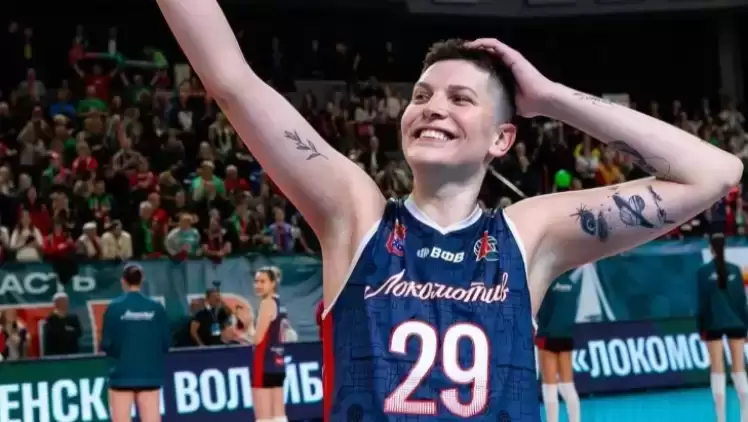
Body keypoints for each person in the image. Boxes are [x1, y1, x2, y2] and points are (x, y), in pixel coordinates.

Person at [157, 1, 742, 419]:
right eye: (421, 95)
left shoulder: (527, 236)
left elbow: (714, 172)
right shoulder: (357, 216)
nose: (432, 107)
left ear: (502, 139)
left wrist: (550, 98)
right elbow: (231, 79)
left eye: (460, 99)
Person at [101, 264, 171, 422]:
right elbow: (166, 343)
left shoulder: (114, 307)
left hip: (121, 375)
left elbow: (106, 344)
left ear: (123, 281)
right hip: (149, 376)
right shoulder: (156, 308)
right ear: (142, 280)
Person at [697, 233, 748, 422]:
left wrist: (701, 328)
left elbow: (702, 304)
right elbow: (742, 303)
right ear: (724, 248)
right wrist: (746, 327)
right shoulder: (735, 270)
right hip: (737, 323)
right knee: (739, 370)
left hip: (713, 324)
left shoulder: (702, 273)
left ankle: (721, 419)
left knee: (717, 369)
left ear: (710, 249)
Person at [535, 278, 582, 422]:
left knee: (549, 386)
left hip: (547, 336)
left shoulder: (546, 284)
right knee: (568, 385)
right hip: (566, 335)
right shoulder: (573, 284)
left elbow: (539, 311)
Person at [252, 267, 288, 422]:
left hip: (264, 361)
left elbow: (257, 339)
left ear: (273, 283)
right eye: (256, 281)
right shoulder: (280, 304)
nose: (258, 285)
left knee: (263, 418)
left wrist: (241, 331)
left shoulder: (266, 303)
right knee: (279, 415)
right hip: (278, 362)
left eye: (263, 281)